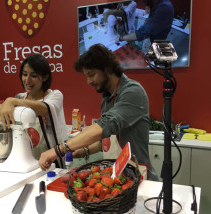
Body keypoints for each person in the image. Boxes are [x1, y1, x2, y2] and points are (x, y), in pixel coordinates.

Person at [39, 44, 158, 181]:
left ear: (107, 69)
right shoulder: (107, 100)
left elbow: (103, 127)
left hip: (138, 175)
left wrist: (58, 150)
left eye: (91, 75)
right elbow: (105, 142)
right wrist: (84, 151)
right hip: (117, 175)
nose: (89, 81)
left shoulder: (132, 92)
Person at [0, 54, 67, 160]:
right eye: (25, 74)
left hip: (52, 160)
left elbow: (44, 109)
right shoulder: (20, 97)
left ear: (45, 77)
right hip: (27, 159)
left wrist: (12, 101)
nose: (27, 80)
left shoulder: (55, 95)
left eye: (34, 76)